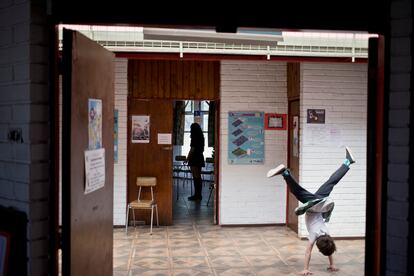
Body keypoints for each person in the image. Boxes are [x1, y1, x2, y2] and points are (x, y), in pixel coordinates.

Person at [267, 146, 356, 276]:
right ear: (318, 246)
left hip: (322, 202)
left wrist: (332, 264)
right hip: (314, 207)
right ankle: (285, 173)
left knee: (331, 182)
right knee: (298, 192)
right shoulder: (314, 235)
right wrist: (305, 269)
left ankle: (347, 162)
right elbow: (308, 251)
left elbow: (330, 247)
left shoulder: (327, 233)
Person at [186, 123, 205, 201]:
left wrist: (187, 158)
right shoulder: (201, 137)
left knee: (195, 177)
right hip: (200, 157)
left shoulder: (194, 137)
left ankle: (196, 195)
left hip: (194, 158)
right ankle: (199, 195)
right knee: (198, 177)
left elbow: (192, 149)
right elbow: (202, 149)